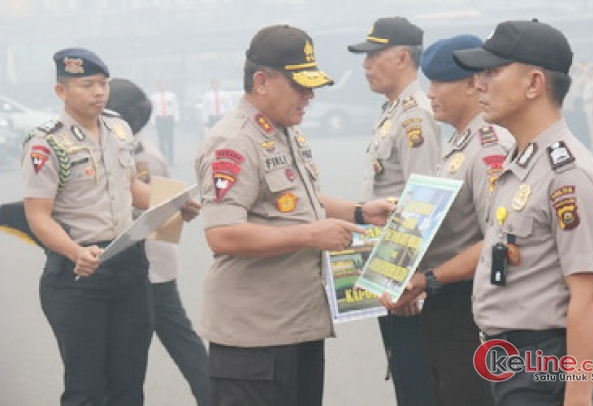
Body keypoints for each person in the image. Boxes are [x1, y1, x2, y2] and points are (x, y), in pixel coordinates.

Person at [194, 24, 395, 406]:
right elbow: (222, 234)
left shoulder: (281, 130)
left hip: (296, 326)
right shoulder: (234, 140)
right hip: (255, 338)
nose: (310, 96)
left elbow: (296, 200)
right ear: (262, 81)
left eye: (312, 86)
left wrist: (360, 212)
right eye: (300, 86)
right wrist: (309, 236)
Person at [452, 19, 593, 405]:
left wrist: (578, 397)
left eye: (492, 72)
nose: (479, 84)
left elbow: (591, 293)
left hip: (548, 372)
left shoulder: (568, 173)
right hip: (514, 364)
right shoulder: (523, 160)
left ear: (534, 84)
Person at [21, 48, 165, 405]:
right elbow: (38, 215)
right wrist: (74, 252)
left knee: (129, 384)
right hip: (79, 273)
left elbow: (132, 189)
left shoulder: (118, 128)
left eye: (103, 84)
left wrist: (173, 201)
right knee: (86, 387)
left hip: (129, 266)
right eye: (87, 85)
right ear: (62, 91)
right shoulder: (47, 143)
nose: (99, 92)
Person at [383, 34, 513, 406]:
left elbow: (500, 239)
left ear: (474, 84)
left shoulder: (489, 147)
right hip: (444, 303)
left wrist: (429, 279)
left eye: (439, 82)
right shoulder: (458, 144)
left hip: (467, 306)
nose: (431, 92)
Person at [347, 16, 440, 406]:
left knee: (418, 380)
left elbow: (423, 201)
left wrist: (408, 277)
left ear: (402, 57)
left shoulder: (416, 114)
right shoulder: (393, 111)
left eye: (374, 56)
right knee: (402, 369)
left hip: (404, 278)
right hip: (388, 269)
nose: (366, 65)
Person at [106, 77, 209, 406]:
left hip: (150, 267)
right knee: (180, 340)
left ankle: (216, 396)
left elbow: (162, 219)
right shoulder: (130, 150)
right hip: (151, 266)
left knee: (147, 346)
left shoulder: (142, 158)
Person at [150, 79, 180, 165]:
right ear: (157, 86)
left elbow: (175, 108)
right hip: (159, 119)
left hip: (169, 119)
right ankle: (163, 160)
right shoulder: (154, 97)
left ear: (166, 85)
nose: (162, 86)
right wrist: (153, 122)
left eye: (164, 85)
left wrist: (176, 119)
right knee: (161, 140)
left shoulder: (171, 96)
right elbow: (153, 110)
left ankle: (171, 160)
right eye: (160, 85)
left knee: (170, 140)